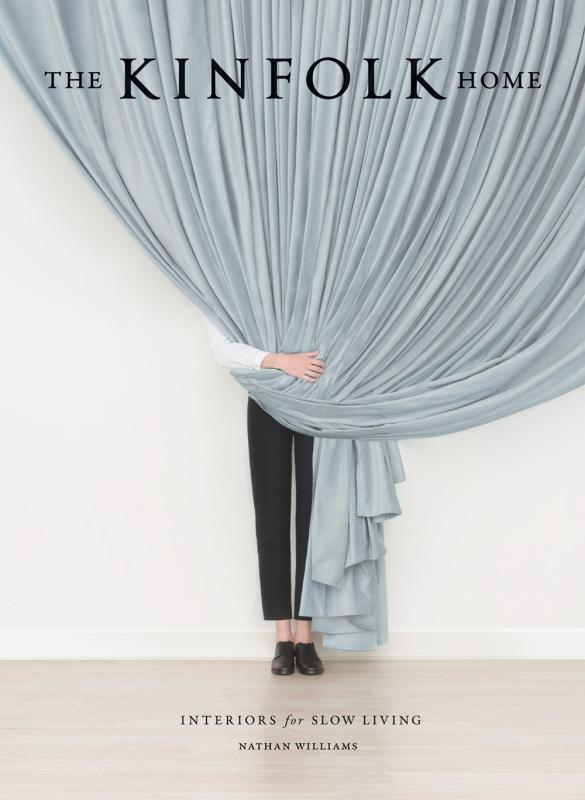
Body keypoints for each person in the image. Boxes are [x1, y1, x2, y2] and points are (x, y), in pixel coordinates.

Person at [202, 314, 326, 676]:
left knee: (312, 519)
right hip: (266, 397)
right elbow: (222, 349)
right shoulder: (225, 280)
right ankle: (282, 637)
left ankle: (306, 635)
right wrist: (280, 360)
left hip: (317, 397)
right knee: (271, 517)